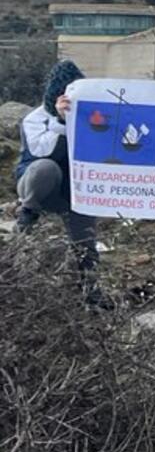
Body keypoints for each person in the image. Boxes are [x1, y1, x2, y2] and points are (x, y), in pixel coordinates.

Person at [12, 58, 104, 304]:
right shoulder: (35, 119)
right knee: (45, 168)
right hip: (38, 185)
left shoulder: (92, 117)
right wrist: (62, 121)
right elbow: (42, 151)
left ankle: (91, 291)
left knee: (84, 241)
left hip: (74, 190)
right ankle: (28, 212)